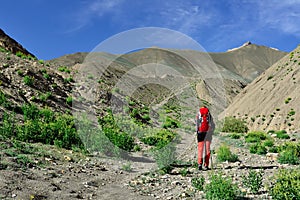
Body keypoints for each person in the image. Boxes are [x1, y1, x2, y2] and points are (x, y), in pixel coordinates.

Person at [196, 105, 214, 170]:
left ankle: (199, 164)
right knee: (207, 149)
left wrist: (197, 132)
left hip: (200, 133)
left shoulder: (199, 113)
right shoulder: (208, 113)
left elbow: (197, 123)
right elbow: (212, 124)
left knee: (200, 149)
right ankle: (206, 165)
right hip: (208, 133)